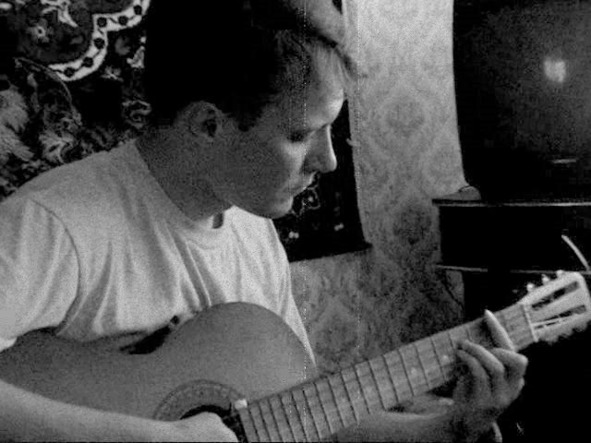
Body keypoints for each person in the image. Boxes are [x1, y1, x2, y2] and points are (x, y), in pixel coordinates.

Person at [0, 0, 528, 441]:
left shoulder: (251, 227)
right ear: (208, 125)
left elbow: (297, 417)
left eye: (329, 130)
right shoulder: (54, 224)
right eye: (300, 135)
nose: (328, 161)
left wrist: (449, 427)